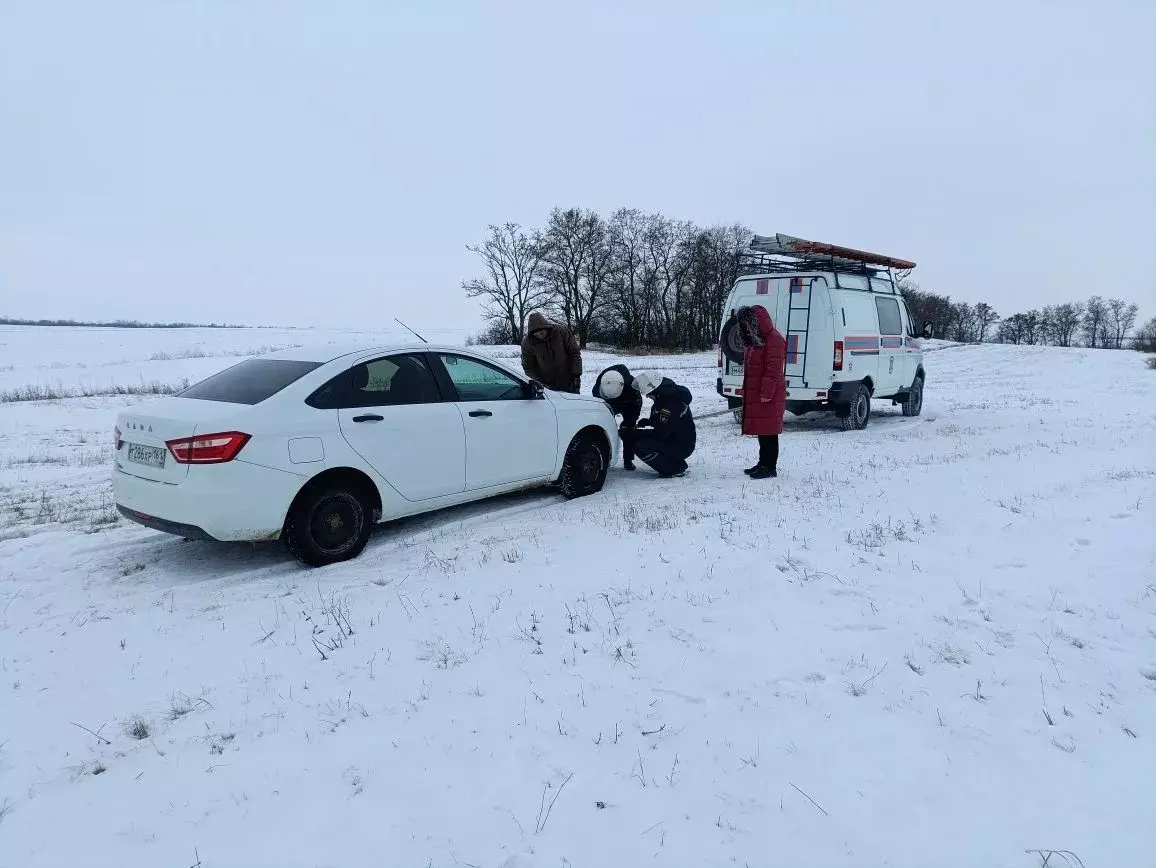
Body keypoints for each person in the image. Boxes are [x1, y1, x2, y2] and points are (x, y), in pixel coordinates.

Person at [733, 305, 787, 479]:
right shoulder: (755, 342)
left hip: (769, 395)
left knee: (769, 431)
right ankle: (762, 463)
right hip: (758, 393)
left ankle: (770, 467)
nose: (745, 327)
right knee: (762, 430)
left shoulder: (774, 339)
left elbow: (773, 369)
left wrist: (766, 392)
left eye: (747, 323)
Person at [622, 371, 696, 478]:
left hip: (681, 445)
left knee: (639, 446)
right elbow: (662, 423)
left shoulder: (670, 404)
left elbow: (661, 434)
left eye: (648, 394)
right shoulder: (664, 397)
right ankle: (674, 463)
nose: (647, 396)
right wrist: (648, 422)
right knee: (636, 437)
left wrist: (638, 434)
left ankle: (675, 469)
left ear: (655, 390)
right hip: (673, 438)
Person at [591, 364, 643, 470]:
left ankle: (628, 460)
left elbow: (636, 406)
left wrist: (630, 421)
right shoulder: (599, 386)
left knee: (628, 430)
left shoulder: (632, 387)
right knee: (603, 428)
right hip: (607, 403)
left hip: (627, 404)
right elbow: (597, 402)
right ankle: (603, 458)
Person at [520, 312, 582, 393]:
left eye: (542, 332)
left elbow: (575, 353)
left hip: (570, 381)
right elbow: (528, 368)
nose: (540, 335)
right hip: (547, 386)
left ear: (546, 327)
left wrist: (576, 375)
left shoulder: (562, 332)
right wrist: (539, 384)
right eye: (536, 334)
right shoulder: (527, 343)